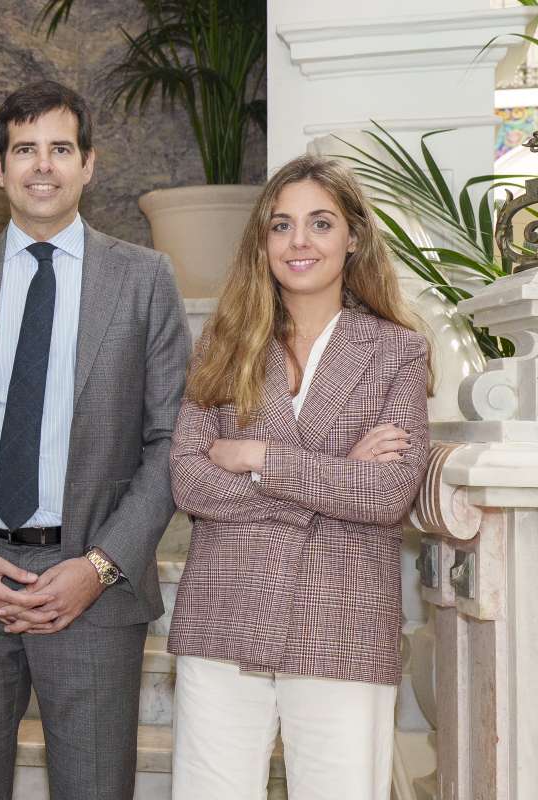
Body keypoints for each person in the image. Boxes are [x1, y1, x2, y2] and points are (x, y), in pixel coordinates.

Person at [0, 80, 192, 799]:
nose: (42, 165)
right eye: (24, 149)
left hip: (92, 582)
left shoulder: (145, 280)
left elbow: (171, 441)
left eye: (60, 149)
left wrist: (100, 566)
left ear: (88, 164)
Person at [167, 154, 432, 799]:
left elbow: (388, 495)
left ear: (353, 237)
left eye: (320, 223)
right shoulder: (222, 345)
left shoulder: (396, 349)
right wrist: (339, 473)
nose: (298, 242)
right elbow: (190, 482)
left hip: (341, 618)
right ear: (262, 242)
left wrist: (261, 459)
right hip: (225, 611)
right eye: (280, 225)